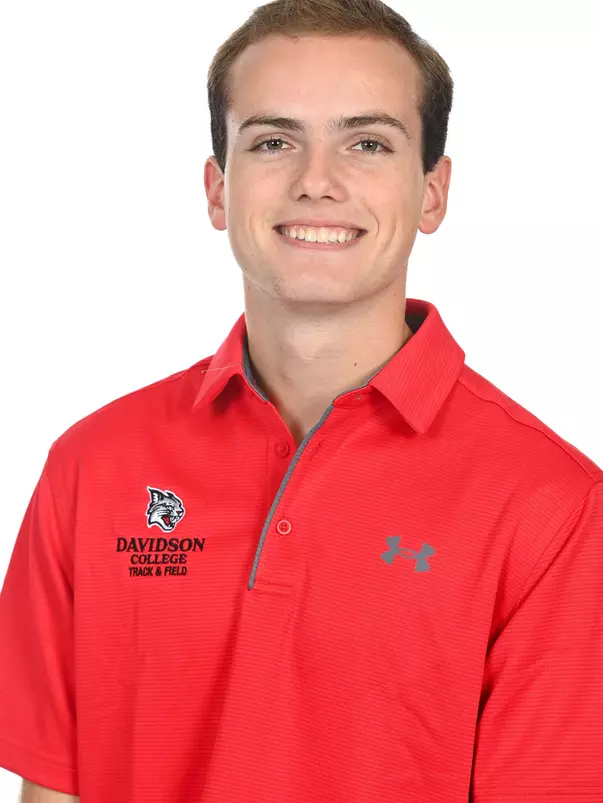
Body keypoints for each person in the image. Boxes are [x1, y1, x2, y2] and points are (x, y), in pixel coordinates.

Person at [1, 0, 602, 801]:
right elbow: (51, 789)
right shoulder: (93, 464)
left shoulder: (552, 506)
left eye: (367, 143)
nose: (317, 181)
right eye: (275, 141)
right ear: (218, 190)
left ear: (431, 193)